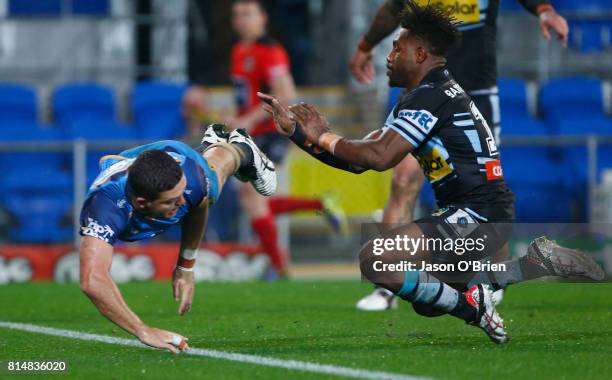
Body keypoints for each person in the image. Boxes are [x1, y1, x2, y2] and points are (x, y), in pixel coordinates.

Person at [258, 2, 603, 343]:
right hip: (478, 213)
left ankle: (474, 309)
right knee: (429, 303)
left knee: (376, 259)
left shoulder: (431, 96)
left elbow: (379, 156)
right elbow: (361, 160)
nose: (389, 56)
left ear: (420, 54)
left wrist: (324, 135)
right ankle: (533, 264)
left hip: (477, 215)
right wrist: (298, 135)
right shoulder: (423, 95)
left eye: (397, 48)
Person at [350, 0, 569, 311]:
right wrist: (365, 45)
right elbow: (392, 9)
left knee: (485, 184)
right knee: (403, 177)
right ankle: (386, 286)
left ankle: (496, 279)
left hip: (474, 92)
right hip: (423, 89)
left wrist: (545, 10)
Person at [79, 125, 275, 353]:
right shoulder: (104, 208)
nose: (182, 202)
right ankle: (210, 144)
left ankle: (242, 149)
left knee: (211, 184)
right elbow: (92, 279)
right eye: (172, 200)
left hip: (177, 157)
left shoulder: (192, 181)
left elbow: (198, 204)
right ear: (142, 202)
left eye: (182, 194)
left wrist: (186, 266)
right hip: (130, 163)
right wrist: (142, 329)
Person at [227, 0, 346, 277]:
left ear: (263, 18)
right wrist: (237, 118)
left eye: (248, 13)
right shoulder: (238, 51)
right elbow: (247, 97)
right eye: (237, 15)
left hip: (272, 132)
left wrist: (248, 119)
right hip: (253, 133)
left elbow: (285, 93)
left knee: (251, 196)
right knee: (255, 201)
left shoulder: (270, 51)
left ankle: (279, 268)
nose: (241, 19)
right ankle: (320, 205)